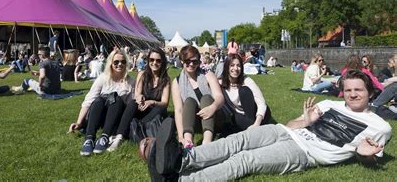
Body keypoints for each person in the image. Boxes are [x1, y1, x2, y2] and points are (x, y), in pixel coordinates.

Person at [147, 69, 392, 181]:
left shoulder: (380, 127)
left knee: (245, 160)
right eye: (348, 90)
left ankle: (181, 180)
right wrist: (305, 120)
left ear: (370, 92)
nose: (352, 94)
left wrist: (364, 156)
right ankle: (179, 161)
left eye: (358, 90)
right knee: (236, 141)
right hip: (285, 132)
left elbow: (370, 158)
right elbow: (291, 124)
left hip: (304, 153)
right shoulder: (329, 104)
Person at [68, 50, 134, 156]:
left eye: (123, 62)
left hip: (116, 116)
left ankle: (104, 137)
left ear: (126, 63)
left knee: (116, 99)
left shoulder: (130, 82)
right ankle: (89, 138)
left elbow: (130, 106)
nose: (120, 64)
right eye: (116, 62)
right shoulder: (103, 78)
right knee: (98, 100)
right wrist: (79, 122)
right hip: (100, 114)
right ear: (111, 63)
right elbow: (89, 100)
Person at [108, 48, 170, 151]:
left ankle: (134, 127)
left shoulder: (165, 80)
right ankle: (119, 137)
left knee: (161, 108)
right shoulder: (142, 74)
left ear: (162, 62)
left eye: (158, 60)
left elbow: (165, 102)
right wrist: (139, 97)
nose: (154, 63)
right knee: (133, 103)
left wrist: (152, 102)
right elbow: (137, 93)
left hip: (154, 111)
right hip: (142, 108)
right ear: (148, 60)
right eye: (152, 60)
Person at [171, 45, 224, 148]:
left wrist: (212, 108)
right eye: (187, 61)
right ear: (181, 61)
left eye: (195, 62)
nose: (191, 64)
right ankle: (188, 140)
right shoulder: (177, 82)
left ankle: (207, 141)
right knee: (189, 101)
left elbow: (220, 97)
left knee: (206, 98)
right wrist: (181, 136)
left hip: (214, 117)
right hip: (194, 120)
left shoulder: (208, 75)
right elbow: (178, 110)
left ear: (199, 62)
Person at [220, 54, 271, 133]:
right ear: (226, 67)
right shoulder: (221, 83)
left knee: (243, 90)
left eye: (238, 65)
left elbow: (261, 103)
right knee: (235, 118)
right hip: (241, 115)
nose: (236, 68)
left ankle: (255, 129)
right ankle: (255, 131)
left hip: (258, 115)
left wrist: (257, 123)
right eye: (232, 65)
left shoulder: (247, 81)